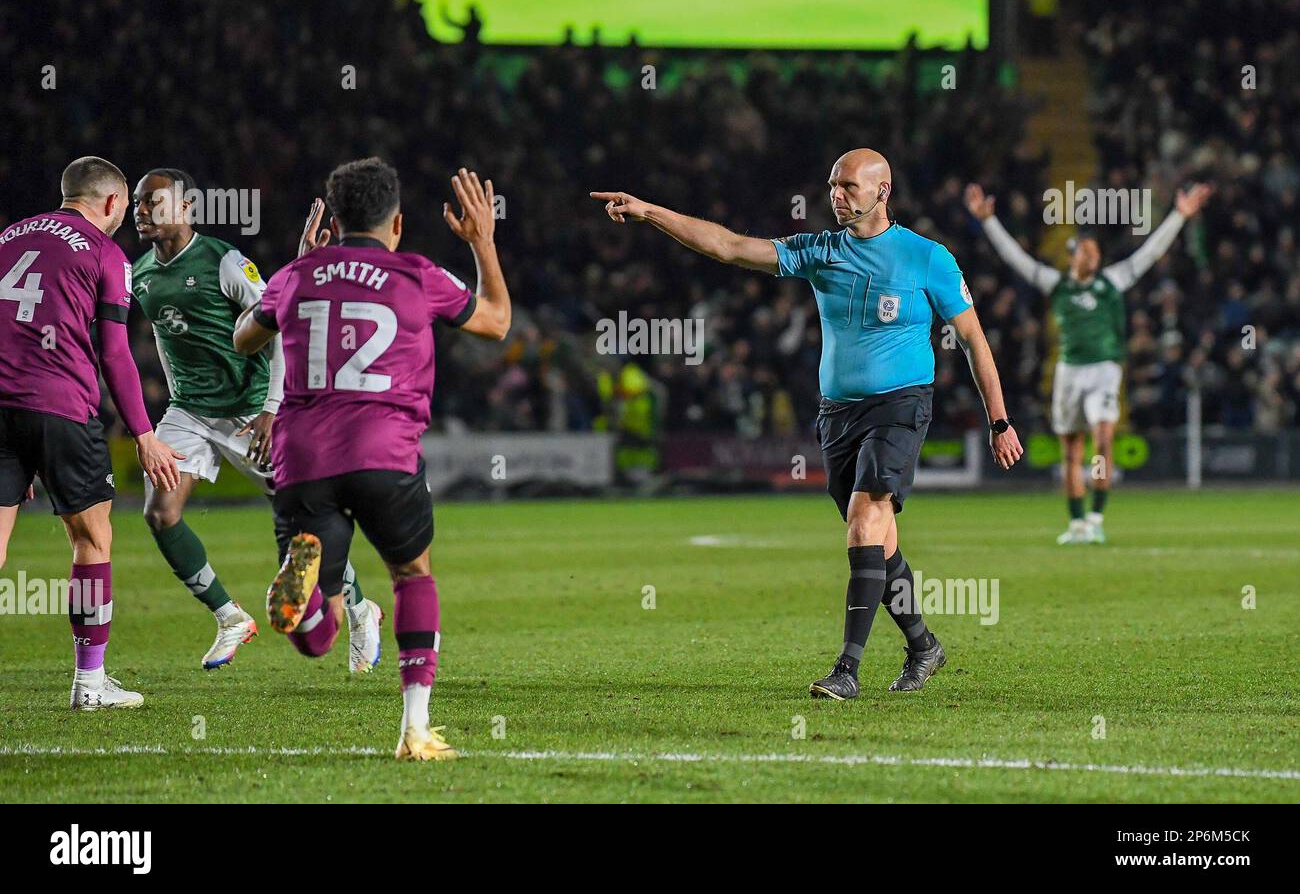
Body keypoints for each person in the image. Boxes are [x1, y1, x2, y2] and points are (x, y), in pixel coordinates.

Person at [592, 148, 1023, 700]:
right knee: (880, 544)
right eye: (831, 186)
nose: (835, 196)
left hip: (900, 406)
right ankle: (923, 646)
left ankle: (848, 669)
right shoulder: (819, 251)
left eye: (847, 187)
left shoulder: (928, 258)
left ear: (882, 191)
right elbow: (728, 246)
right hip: (837, 415)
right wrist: (651, 212)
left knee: (865, 524)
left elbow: (972, 338)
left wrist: (1000, 420)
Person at [233, 160, 510, 759]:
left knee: (320, 635)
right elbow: (496, 322)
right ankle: (414, 727)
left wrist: (297, 265)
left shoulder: (297, 275)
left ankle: (308, 609)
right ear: (399, 223)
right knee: (412, 575)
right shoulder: (417, 273)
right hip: (385, 454)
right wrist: (483, 242)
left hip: (303, 457)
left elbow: (243, 339)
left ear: (333, 220)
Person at [130, 168, 381, 671]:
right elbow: (166, 337)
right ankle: (229, 616)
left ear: (186, 208)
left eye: (153, 202)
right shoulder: (140, 274)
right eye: (137, 203)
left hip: (250, 411)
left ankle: (359, 608)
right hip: (189, 412)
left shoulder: (223, 261)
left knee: (302, 528)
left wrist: (273, 407)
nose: (141, 212)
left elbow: (280, 321)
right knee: (160, 513)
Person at [0, 156, 182, 709]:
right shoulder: (105, 252)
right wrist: (144, 433)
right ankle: (90, 682)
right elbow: (115, 353)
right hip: (60, 405)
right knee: (92, 539)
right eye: (125, 207)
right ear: (109, 202)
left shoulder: (8, 236)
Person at [965, 181, 1212, 543]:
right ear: (1073, 256)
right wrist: (989, 222)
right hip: (1068, 372)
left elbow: (1151, 253)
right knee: (1071, 449)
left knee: (1103, 439)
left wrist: (1179, 215)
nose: (1093, 257)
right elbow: (1017, 261)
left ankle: (1096, 516)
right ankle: (1077, 522)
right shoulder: (1057, 284)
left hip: (1104, 371)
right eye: (1087, 251)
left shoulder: (1113, 280)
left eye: (1096, 252)